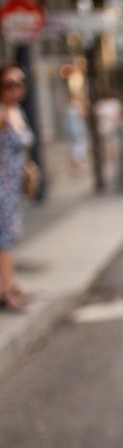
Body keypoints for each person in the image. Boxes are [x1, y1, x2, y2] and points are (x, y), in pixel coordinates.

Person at [0, 64, 38, 311]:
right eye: (9, 84)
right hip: (2, 185)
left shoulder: (17, 112)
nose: (15, 89)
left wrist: (28, 167)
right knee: (4, 238)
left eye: (19, 83)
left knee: (10, 235)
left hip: (14, 184)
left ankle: (10, 284)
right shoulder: (2, 114)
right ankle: (5, 291)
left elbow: (20, 147)